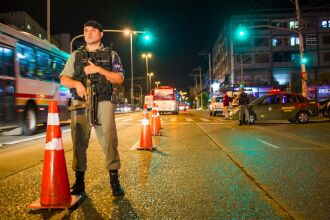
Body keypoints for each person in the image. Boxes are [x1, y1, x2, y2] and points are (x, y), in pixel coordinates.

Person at [60, 21, 125, 197]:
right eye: (86, 31)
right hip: (80, 102)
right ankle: (79, 182)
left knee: (109, 140)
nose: (88, 34)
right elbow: (64, 78)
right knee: (78, 140)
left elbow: (118, 79)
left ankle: (114, 181)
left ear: (101, 34)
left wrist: (98, 69)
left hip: (103, 100)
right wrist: (76, 84)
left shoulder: (111, 54)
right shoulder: (76, 55)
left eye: (93, 30)